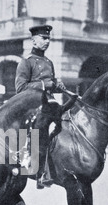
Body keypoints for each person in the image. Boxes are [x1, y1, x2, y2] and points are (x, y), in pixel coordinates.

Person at [15, 24, 77, 189]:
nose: (47, 41)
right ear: (33, 40)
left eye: (48, 38)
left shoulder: (49, 62)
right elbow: (20, 88)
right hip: (32, 106)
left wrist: (58, 85)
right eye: (43, 38)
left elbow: (51, 85)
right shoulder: (26, 63)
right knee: (44, 129)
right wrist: (47, 83)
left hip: (49, 105)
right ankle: (41, 171)